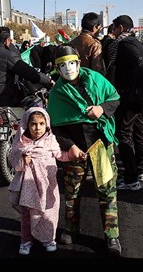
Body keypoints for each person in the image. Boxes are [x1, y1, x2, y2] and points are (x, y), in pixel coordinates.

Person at [46, 45, 122, 256]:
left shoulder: (96, 79)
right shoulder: (57, 92)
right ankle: (70, 229)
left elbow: (115, 98)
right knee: (72, 193)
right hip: (74, 148)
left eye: (72, 63)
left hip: (100, 146)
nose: (68, 68)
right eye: (62, 65)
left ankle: (112, 235)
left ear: (79, 63)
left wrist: (101, 109)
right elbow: (56, 127)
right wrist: (70, 146)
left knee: (107, 191)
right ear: (57, 69)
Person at [0, 26, 52, 179]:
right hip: (6, 100)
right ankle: (28, 154)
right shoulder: (8, 55)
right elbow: (29, 73)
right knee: (26, 117)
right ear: (7, 41)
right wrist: (47, 80)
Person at [8, 107, 84, 255]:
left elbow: (60, 155)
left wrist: (74, 156)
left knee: (49, 213)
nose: (37, 128)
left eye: (41, 124)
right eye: (33, 124)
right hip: (28, 187)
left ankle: (48, 239)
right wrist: (23, 159)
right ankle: (25, 241)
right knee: (27, 215)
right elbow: (13, 159)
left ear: (47, 124)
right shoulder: (21, 143)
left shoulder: (50, 141)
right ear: (26, 125)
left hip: (48, 186)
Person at [108, 15, 143, 191]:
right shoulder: (139, 44)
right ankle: (140, 171)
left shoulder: (119, 45)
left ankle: (130, 178)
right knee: (139, 131)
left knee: (124, 135)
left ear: (120, 27)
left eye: (114, 28)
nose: (112, 31)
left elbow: (111, 69)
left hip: (127, 95)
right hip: (140, 96)